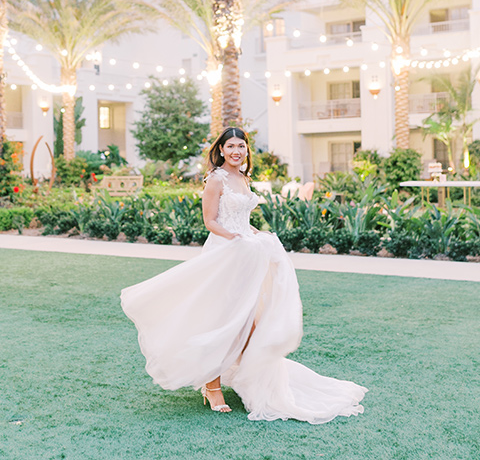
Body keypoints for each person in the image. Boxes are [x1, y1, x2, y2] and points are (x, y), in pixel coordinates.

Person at [120, 127, 367, 423]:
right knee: (222, 318)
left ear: (246, 150)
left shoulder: (243, 179)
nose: (237, 151)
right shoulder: (216, 179)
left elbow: (242, 219)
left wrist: (256, 235)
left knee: (250, 319)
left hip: (247, 253)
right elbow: (211, 221)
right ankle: (212, 387)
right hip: (224, 253)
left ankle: (250, 376)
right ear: (221, 150)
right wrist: (237, 238)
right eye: (231, 147)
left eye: (242, 146)